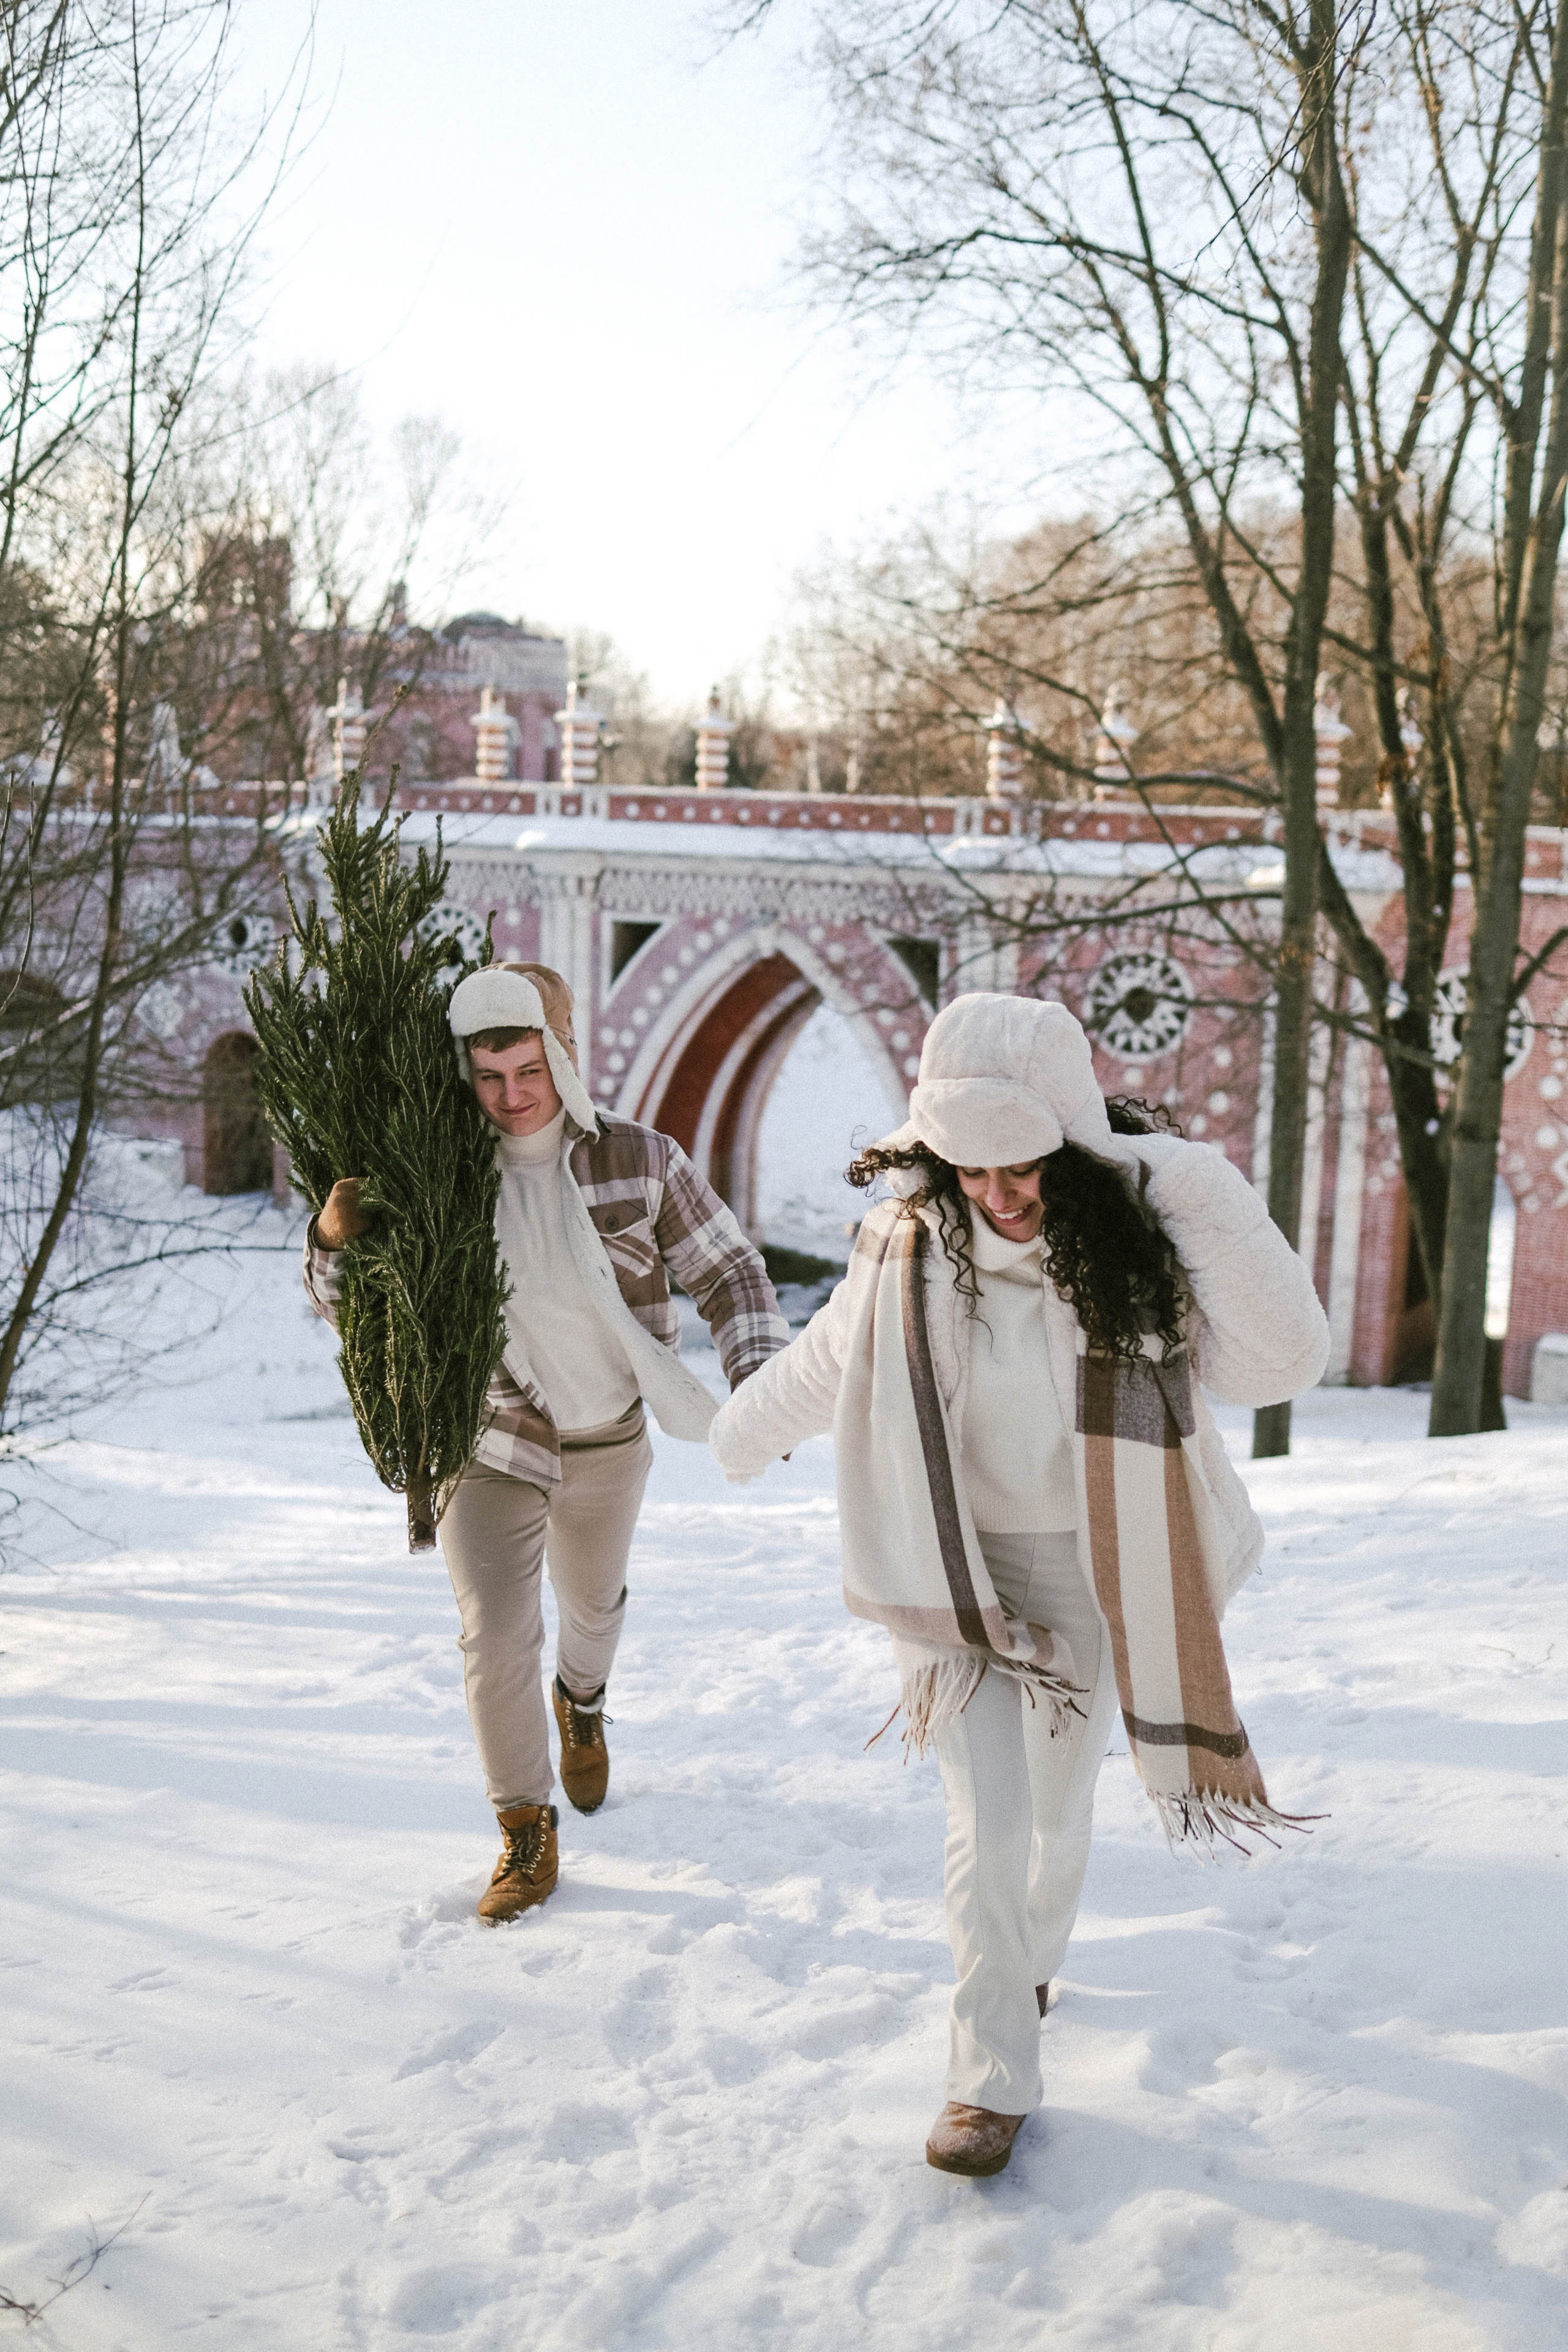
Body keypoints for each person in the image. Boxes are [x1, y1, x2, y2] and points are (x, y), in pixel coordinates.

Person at [707, 992, 1329, 2179]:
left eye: (1022, 1162)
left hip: (1096, 1565)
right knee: (986, 1818)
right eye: (970, 1164)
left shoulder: (1136, 1253)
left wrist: (1189, 1184)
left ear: (1071, 1143)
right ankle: (987, 2077)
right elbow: (826, 1360)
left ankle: (1032, 1961)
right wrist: (735, 1436)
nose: (996, 1192)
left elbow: (1283, 1360)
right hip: (949, 1567)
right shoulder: (903, 1247)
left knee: (1055, 1811)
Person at [305, 962, 789, 1921]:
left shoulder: (639, 1160)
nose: (511, 1097)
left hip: (608, 1435)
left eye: (528, 1071)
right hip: (489, 1437)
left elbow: (730, 1273)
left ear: (561, 1056)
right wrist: (331, 1236)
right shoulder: (436, 1174)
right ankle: (525, 1830)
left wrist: (763, 1384)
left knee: (592, 1607)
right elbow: (346, 1312)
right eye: (488, 1077)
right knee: (494, 1633)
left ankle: (584, 1699)